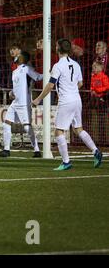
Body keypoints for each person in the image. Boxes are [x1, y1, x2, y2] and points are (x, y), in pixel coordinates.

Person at [32, 39, 103, 171]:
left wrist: (38, 99)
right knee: (78, 129)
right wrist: (70, 88)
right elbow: (80, 83)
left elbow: (50, 85)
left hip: (66, 101)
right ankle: (95, 151)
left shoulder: (57, 66)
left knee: (59, 131)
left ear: (58, 49)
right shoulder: (76, 64)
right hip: (77, 99)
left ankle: (66, 162)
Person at [0, 51, 43, 158]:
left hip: (24, 103)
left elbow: (38, 77)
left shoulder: (27, 69)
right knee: (6, 122)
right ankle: (6, 149)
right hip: (15, 103)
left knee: (26, 127)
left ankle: (37, 150)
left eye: (19, 55)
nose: (16, 56)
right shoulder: (15, 71)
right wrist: (12, 92)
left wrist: (49, 75)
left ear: (22, 58)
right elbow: (18, 86)